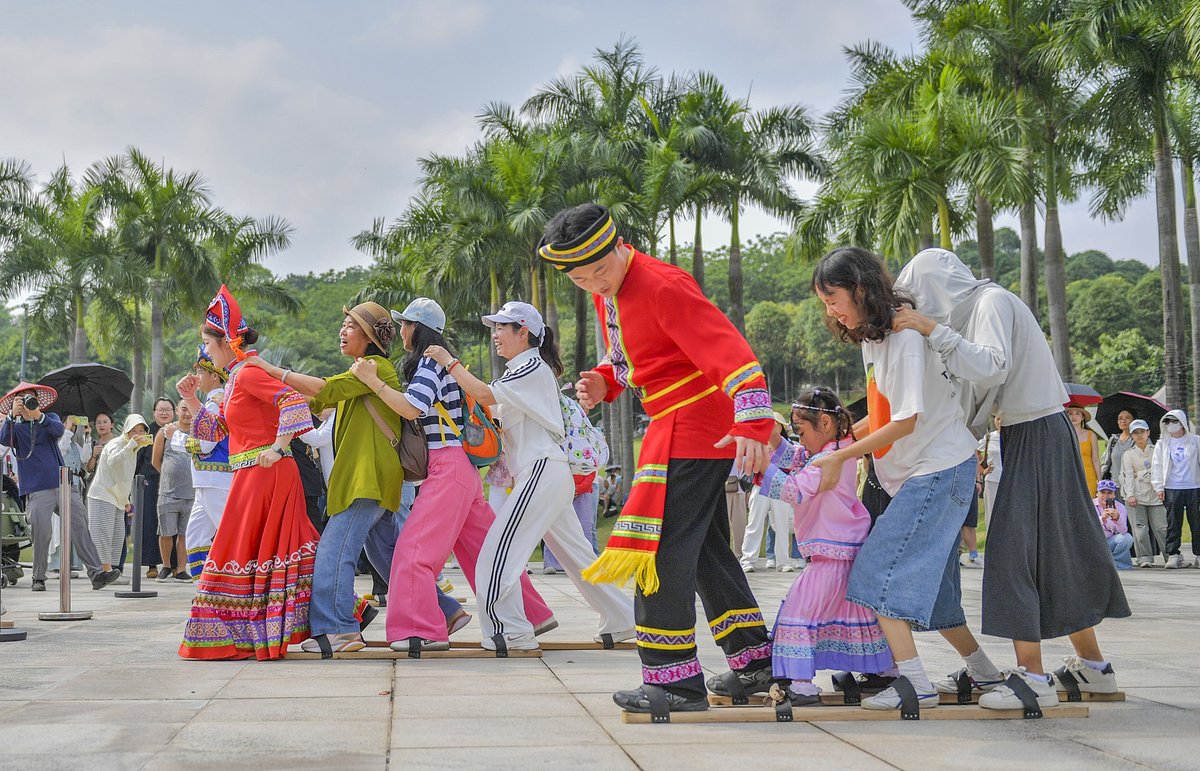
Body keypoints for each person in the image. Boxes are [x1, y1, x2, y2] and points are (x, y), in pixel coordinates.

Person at [539, 203, 773, 715]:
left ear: (620, 245)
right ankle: (754, 661)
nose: (595, 284)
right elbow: (635, 359)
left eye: (601, 270)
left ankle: (674, 683)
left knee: (659, 551)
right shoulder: (612, 294)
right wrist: (605, 379)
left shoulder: (664, 284)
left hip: (697, 429)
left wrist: (754, 422)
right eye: (581, 279)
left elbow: (730, 352)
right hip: (674, 428)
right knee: (706, 550)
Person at [894, 247, 1128, 710]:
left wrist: (929, 329)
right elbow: (979, 395)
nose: (922, 310)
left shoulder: (991, 302)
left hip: (1036, 430)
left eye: (920, 299)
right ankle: (1094, 669)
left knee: (1012, 553)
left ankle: (1034, 678)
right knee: (1054, 554)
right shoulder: (978, 311)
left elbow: (992, 366)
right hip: (1034, 433)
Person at [801, 247, 986, 712]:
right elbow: (884, 414)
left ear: (861, 290)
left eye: (834, 298)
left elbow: (905, 422)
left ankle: (915, 684)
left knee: (876, 572)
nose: (831, 311)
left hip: (937, 471)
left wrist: (840, 456)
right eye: (824, 303)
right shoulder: (874, 337)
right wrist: (835, 449)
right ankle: (985, 673)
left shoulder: (902, 337)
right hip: (925, 472)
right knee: (939, 596)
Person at [425, 300, 634, 651]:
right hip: (545, 474)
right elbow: (490, 406)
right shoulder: (523, 371)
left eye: (501, 327)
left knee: (496, 552)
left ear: (523, 333)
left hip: (541, 471)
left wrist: (449, 362)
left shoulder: (530, 366)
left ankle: (510, 631)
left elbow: (485, 394)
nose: (495, 334)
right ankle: (623, 618)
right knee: (578, 556)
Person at [348, 296, 554, 651]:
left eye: (404, 325)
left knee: (413, 551)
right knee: (484, 552)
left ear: (417, 329)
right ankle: (532, 615)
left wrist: (373, 382)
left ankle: (420, 631)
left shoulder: (430, 365)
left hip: (447, 468)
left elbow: (413, 409)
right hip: (463, 470)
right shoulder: (440, 364)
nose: (401, 332)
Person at [241, 301, 405, 654]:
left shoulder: (373, 367)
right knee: (390, 558)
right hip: (365, 479)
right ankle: (445, 611)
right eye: (343, 324)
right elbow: (317, 400)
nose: (342, 331)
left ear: (370, 337)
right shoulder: (361, 372)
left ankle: (338, 629)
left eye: (350, 325)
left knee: (334, 551)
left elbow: (323, 390)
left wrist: (271, 370)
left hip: (367, 479)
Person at [176, 285, 330, 660]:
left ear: (226, 341)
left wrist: (278, 447)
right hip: (251, 476)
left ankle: (240, 634)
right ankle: (336, 615)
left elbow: (292, 400)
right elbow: (213, 432)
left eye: (208, 343)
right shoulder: (234, 381)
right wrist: (193, 399)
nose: (205, 350)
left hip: (268, 474)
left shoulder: (246, 374)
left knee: (247, 549)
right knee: (268, 551)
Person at [758, 388, 893, 705]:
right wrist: (766, 432)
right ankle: (883, 673)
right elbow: (796, 457)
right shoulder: (839, 449)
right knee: (858, 618)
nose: (798, 438)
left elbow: (794, 490)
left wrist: (761, 465)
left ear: (825, 423)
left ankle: (802, 684)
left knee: (799, 614)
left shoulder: (827, 461)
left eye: (801, 431)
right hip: (845, 553)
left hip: (829, 557)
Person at [0, 383, 118, 591]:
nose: (29, 403)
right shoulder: (15, 428)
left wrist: (38, 415)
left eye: (31, 398)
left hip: (63, 485)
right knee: (42, 534)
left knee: (80, 527)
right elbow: (3, 439)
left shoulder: (50, 419)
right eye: (23, 399)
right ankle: (38, 578)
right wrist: (11, 416)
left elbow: (58, 432)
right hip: (36, 489)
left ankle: (97, 573)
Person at [182, 346, 234, 578]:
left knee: (229, 536)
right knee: (196, 537)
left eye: (201, 372)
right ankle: (206, 589)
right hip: (209, 480)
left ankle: (230, 587)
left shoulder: (214, 403)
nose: (197, 377)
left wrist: (176, 438)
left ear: (215, 375)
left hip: (216, 478)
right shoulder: (213, 402)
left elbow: (205, 445)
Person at [87, 414, 152, 584]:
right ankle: (103, 572)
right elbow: (114, 461)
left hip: (117, 498)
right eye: (134, 431)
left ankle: (112, 572)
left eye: (141, 431)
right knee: (103, 535)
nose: (137, 434)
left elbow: (125, 475)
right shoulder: (117, 444)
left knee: (117, 536)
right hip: (103, 495)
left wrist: (126, 499)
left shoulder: (133, 450)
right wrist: (129, 445)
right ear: (127, 431)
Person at [151, 400, 195, 583]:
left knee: (185, 534)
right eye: (184, 409)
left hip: (192, 493)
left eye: (190, 409)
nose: (187, 413)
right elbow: (156, 460)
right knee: (166, 532)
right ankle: (166, 566)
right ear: (177, 411)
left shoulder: (198, 433)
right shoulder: (165, 432)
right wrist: (169, 476)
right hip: (168, 492)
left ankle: (182, 569)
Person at [1150, 410, 1200, 569]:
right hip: (1171, 487)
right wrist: (1158, 486)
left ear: (1182, 422)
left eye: (1174, 421)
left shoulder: (1195, 441)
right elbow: (1156, 466)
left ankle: (1198, 554)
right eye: (1167, 421)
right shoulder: (1162, 443)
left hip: (1194, 486)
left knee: (1196, 522)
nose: (1170, 424)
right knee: (1173, 522)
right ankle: (1173, 554)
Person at [1120, 419, 1168, 567]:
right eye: (1135, 433)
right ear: (1132, 435)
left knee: (1161, 528)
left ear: (1148, 432)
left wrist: (1140, 474)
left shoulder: (1157, 450)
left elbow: (1162, 470)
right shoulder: (1129, 454)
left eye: (1142, 432)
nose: (1139, 435)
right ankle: (1144, 557)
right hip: (1136, 495)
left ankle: (1170, 555)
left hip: (1155, 494)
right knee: (1140, 529)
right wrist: (1130, 495)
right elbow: (1128, 476)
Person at [137, 397, 176, 578]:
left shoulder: (179, 430)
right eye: (160, 410)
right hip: (151, 483)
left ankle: (175, 565)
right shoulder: (147, 433)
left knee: (174, 524)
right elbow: (138, 462)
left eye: (167, 409)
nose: (164, 413)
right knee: (151, 523)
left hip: (175, 484)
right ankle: (152, 564)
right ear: (154, 412)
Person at [1093, 480, 1133, 570]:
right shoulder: (1090, 505)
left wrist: (1118, 519)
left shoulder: (1120, 507)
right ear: (1097, 493)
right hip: (1095, 542)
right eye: (1102, 492)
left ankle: (1117, 565)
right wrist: (1102, 519)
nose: (1106, 496)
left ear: (1114, 495)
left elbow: (1123, 531)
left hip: (1111, 541)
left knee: (1127, 538)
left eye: (1109, 493)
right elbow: (1088, 528)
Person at [1067, 404, 1101, 497]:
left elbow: (1095, 459)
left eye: (1077, 414)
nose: (1073, 416)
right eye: (1070, 414)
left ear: (1082, 417)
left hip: (1088, 476)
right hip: (1069, 476)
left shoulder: (1090, 435)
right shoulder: (1063, 436)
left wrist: (1100, 480)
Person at [977, 414, 1003, 529]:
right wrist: (982, 471)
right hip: (992, 480)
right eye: (998, 419)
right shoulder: (989, 438)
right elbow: (974, 453)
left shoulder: (1014, 436)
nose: (1000, 422)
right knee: (991, 514)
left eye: (1002, 419)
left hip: (1009, 480)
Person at [1101, 409, 1136, 486]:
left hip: (1134, 486)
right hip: (1115, 486)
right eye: (1120, 418)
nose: (1123, 420)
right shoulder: (1113, 440)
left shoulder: (1138, 439)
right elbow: (1106, 462)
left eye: (1127, 418)